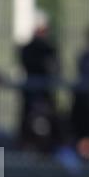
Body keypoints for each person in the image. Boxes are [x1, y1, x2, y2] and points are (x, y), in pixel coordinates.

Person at [18, 11, 61, 154]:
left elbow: (55, 69)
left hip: (44, 99)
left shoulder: (48, 49)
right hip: (33, 100)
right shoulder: (31, 50)